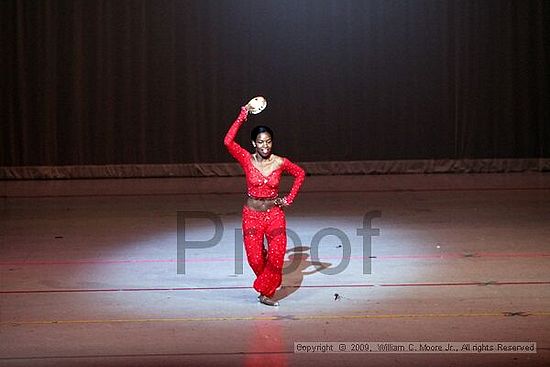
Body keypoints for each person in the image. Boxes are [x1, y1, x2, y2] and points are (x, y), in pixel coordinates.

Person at [224, 102, 305, 306]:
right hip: (251, 216)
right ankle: (270, 281)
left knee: (277, 256)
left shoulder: (280, 162)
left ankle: (265, 292)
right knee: (255, 259)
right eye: (261, 142)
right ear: (254, 143)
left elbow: (300, 174)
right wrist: (243, 115)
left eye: (269, 142)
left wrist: (288, 199)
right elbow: (227, 141)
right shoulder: (246, 159)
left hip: (275, 215)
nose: (265, 146)